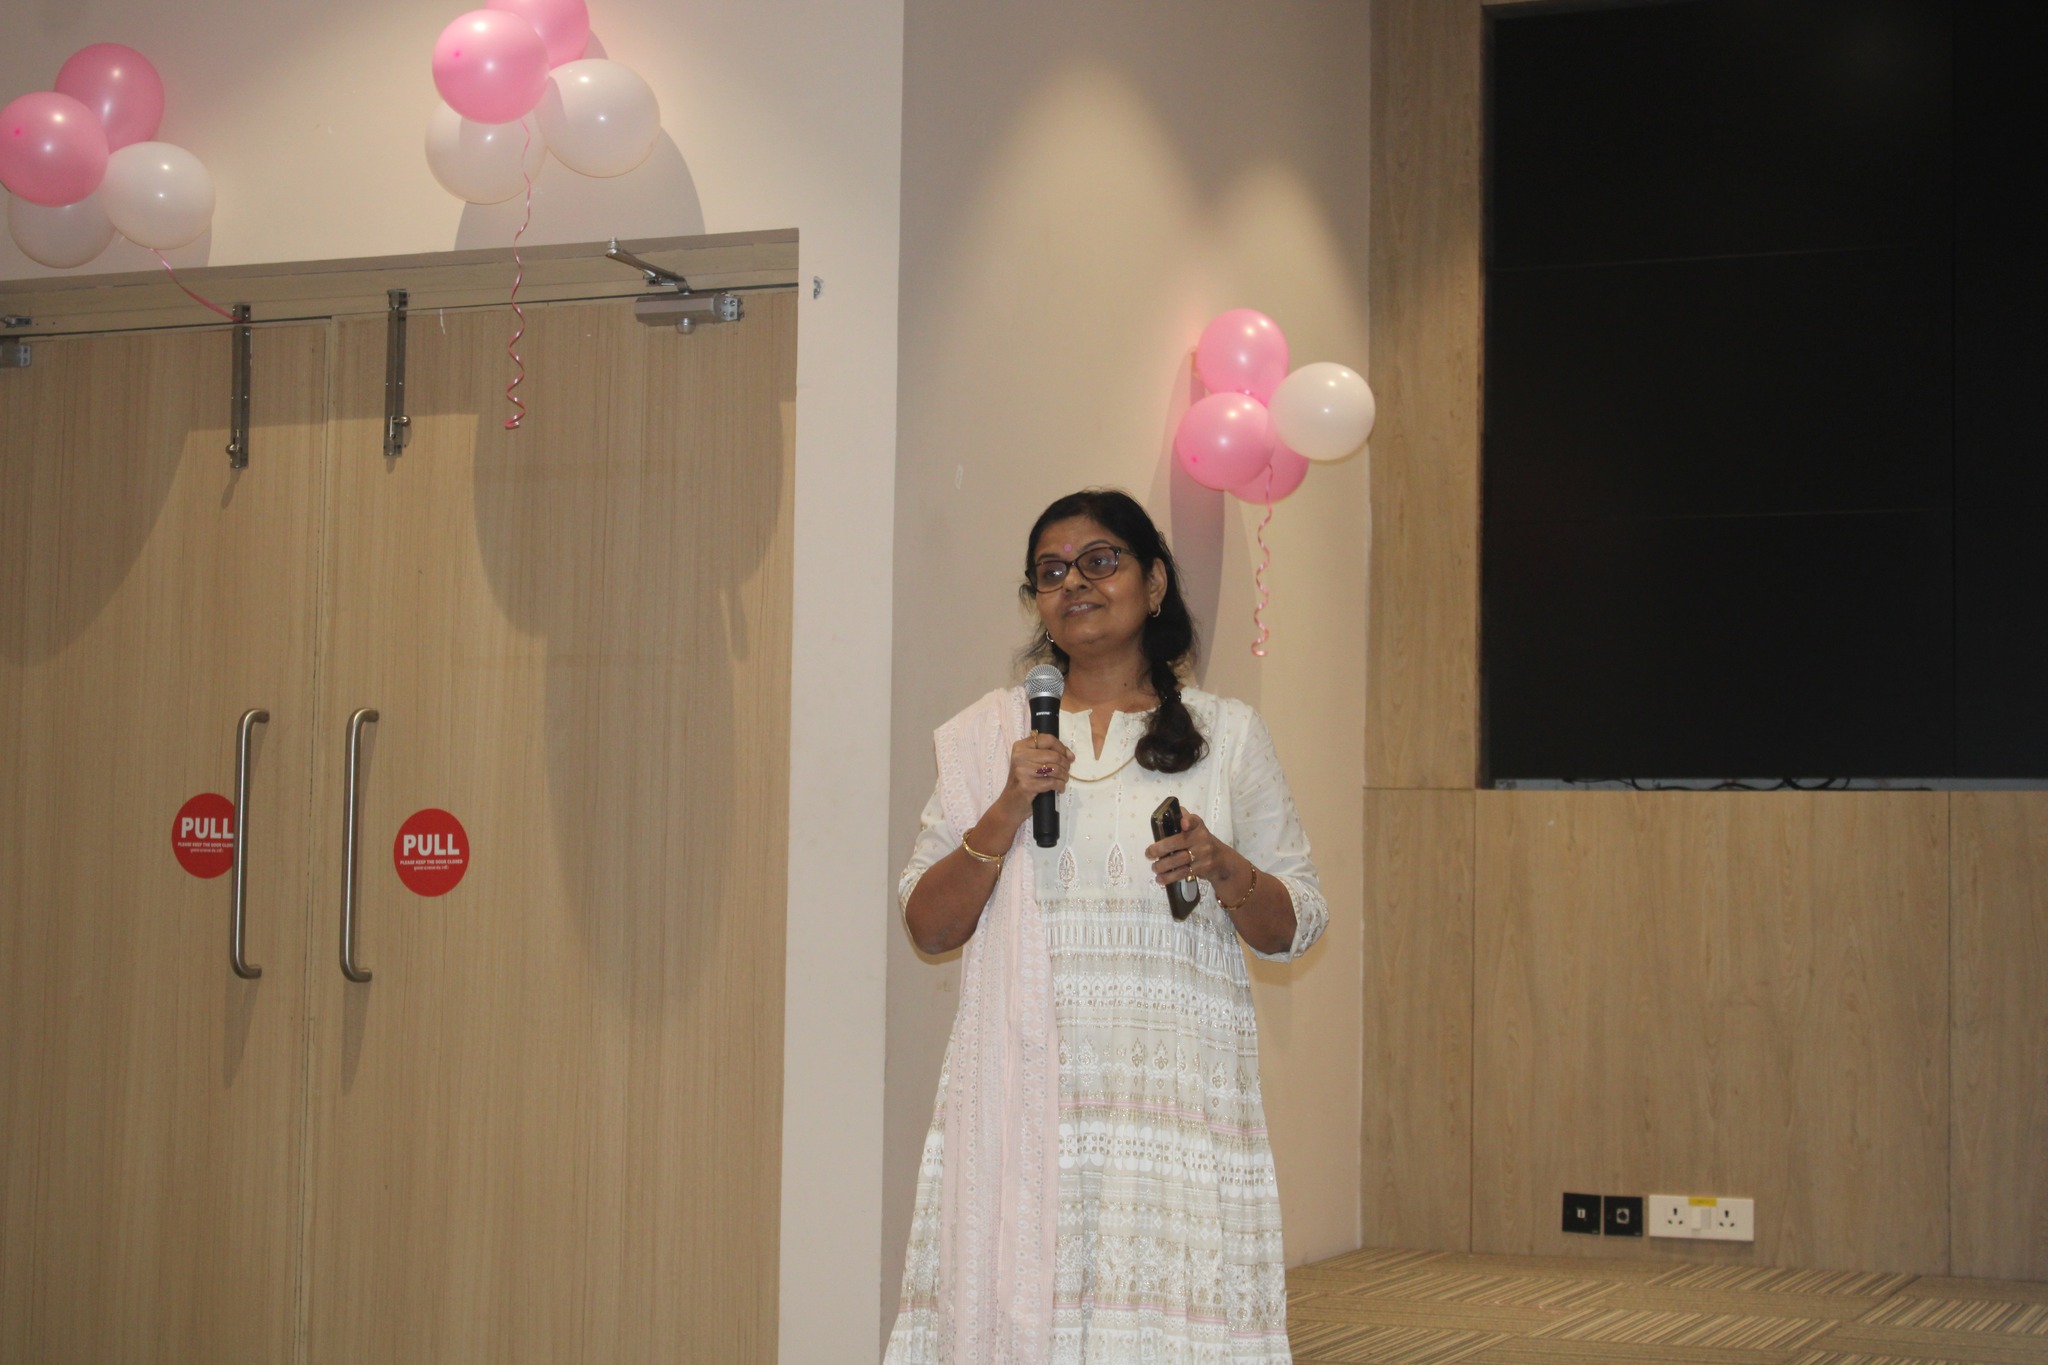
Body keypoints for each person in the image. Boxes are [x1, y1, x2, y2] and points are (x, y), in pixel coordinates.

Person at [885, 489, 1327, 1364]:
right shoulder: (993, 738)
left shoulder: (1227, 737)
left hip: (1170, 1106)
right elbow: (929, 925)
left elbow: (1298, 922)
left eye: (1099, 560)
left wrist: (1225, 867)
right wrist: (1006, 807)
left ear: (1153, 583)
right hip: (1025, 1106)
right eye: (1051, 571)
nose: (1074, 583)